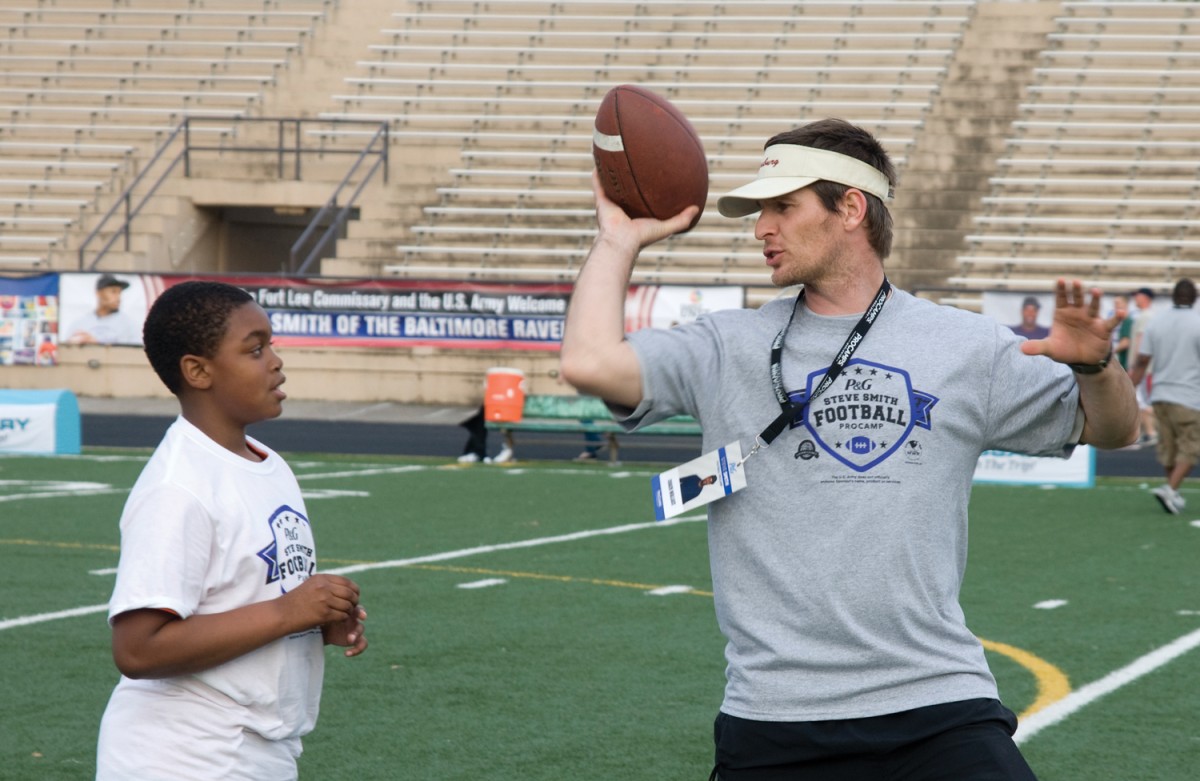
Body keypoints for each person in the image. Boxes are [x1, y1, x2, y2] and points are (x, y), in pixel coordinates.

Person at [560, 118, 1138, 781]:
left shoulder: (965, 344)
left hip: (938, 704)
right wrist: (617, 238)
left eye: (783, 205)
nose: (760, 229)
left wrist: (1099, 368)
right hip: (775, 718)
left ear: (851, 208)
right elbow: (588, 360)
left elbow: (1116, 430)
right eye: (760, 211)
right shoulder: (725, 344)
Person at [96, 280, 368, 780]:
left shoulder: (268, 464)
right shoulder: (179, 486)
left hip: (256, 748)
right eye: (255, 349)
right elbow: (137, 648)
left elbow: (248, 601)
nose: (275, 361)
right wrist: (290, 611)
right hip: (185, 754)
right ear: (198, 371)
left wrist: (316, 620)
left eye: (272, 345)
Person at [1128, 278, 1200, 515]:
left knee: (1168, 448)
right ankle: (1170, 489)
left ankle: (1173, 494)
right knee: (1191, 447)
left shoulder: (1157, 321)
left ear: (1173, 297)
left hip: (1160, 393)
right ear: (1195, 298)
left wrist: (1131, 386)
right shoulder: (1197, 322)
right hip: (1189, 394)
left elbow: (1143, 359)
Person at [67, 274, 142, 345]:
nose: (118, 297)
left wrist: (96, 344)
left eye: (119, 293)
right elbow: (67, 352)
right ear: (98, 293)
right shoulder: (80, 324)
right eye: (113, 292)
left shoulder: (129, 325)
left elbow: (135, 354)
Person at [1129, 287, 1158, 446]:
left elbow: (1141, 341)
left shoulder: (1145, 317)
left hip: (1143, 368)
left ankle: (1151, 432)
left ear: (1145, 297)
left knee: (1141, 400)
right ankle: (1146, 432)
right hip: (1146, 367)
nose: (1136, 299)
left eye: (1137, 296)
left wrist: (1135, 365)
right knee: (1140, 400)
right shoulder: (1151, 316)